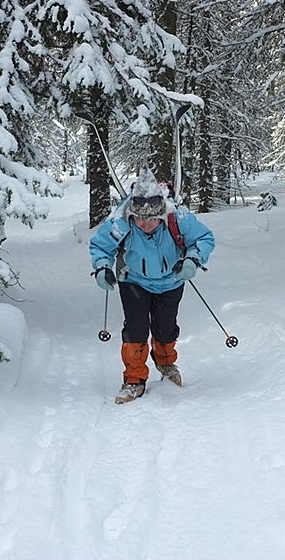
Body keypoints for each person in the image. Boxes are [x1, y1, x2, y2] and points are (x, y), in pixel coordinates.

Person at [89, 167, 215, 404]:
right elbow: (101, 246)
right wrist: (103, 267)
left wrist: (192, 260)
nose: (145, 224)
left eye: (152, 220)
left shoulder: (178, 218)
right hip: (134, 280)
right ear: (133, 213)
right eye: (140, 219)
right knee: (135, 330)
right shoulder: (121, 220)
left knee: (166, 328)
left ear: (161, 214)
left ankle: (166, 363)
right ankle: (134, 379)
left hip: (171, 280)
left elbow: (204, 239)